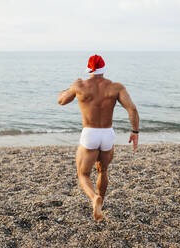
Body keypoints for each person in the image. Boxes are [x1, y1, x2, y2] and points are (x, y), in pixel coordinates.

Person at [58, 55, 139, 222]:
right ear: (103, 68)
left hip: (90, 134)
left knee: (83, 175)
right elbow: (132, 109)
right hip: (107, 133)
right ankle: (101, 200)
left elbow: (61, 101)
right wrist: (135, 132)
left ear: (89, 69)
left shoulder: (80, 85)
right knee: (103, 170)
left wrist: (69, 88)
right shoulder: (116, 87)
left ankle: (95, 198)